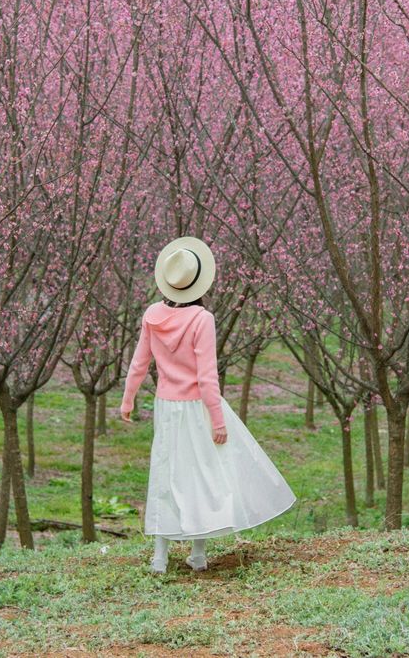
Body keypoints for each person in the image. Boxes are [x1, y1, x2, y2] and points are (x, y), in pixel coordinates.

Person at [119, 236, 297, 574]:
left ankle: (160, 555)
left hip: (166, 406)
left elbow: (139, 363)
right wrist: (218, 421)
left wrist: (128, 400)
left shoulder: (152, 315)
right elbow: (207, 376)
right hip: (197, 407)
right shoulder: (202, 319)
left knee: (166, 472)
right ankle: (198, 554)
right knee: (202, 474)